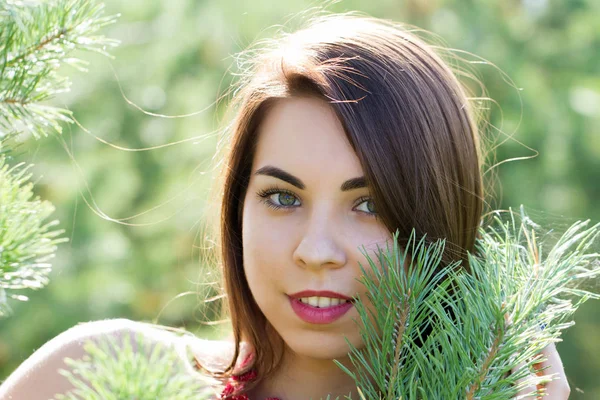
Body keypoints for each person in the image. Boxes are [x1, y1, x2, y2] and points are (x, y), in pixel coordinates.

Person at [0, 12, 570, 400]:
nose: (316, 251)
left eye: (369, 204)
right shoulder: (97, 376)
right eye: (281, 197)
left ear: (437, 220)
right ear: (236, 207)